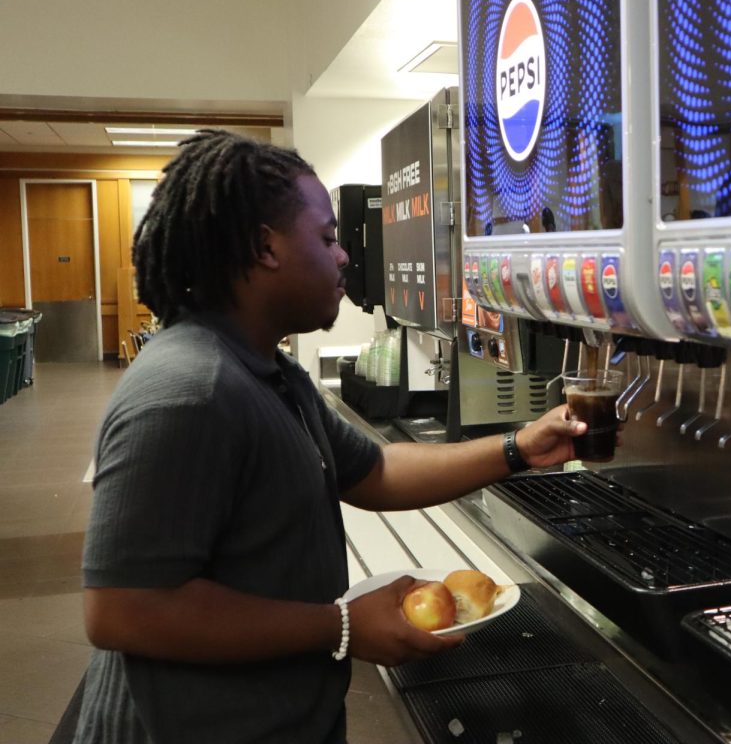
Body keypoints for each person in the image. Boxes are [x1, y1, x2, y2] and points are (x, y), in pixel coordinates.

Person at [73, 130, 586, 743]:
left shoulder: (270, 372)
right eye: (327, 238)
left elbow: (376, 472)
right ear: (265, 247)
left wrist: (520, 447)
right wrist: (339, 626)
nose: (344, 257)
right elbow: (125, 609)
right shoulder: (189, 391)